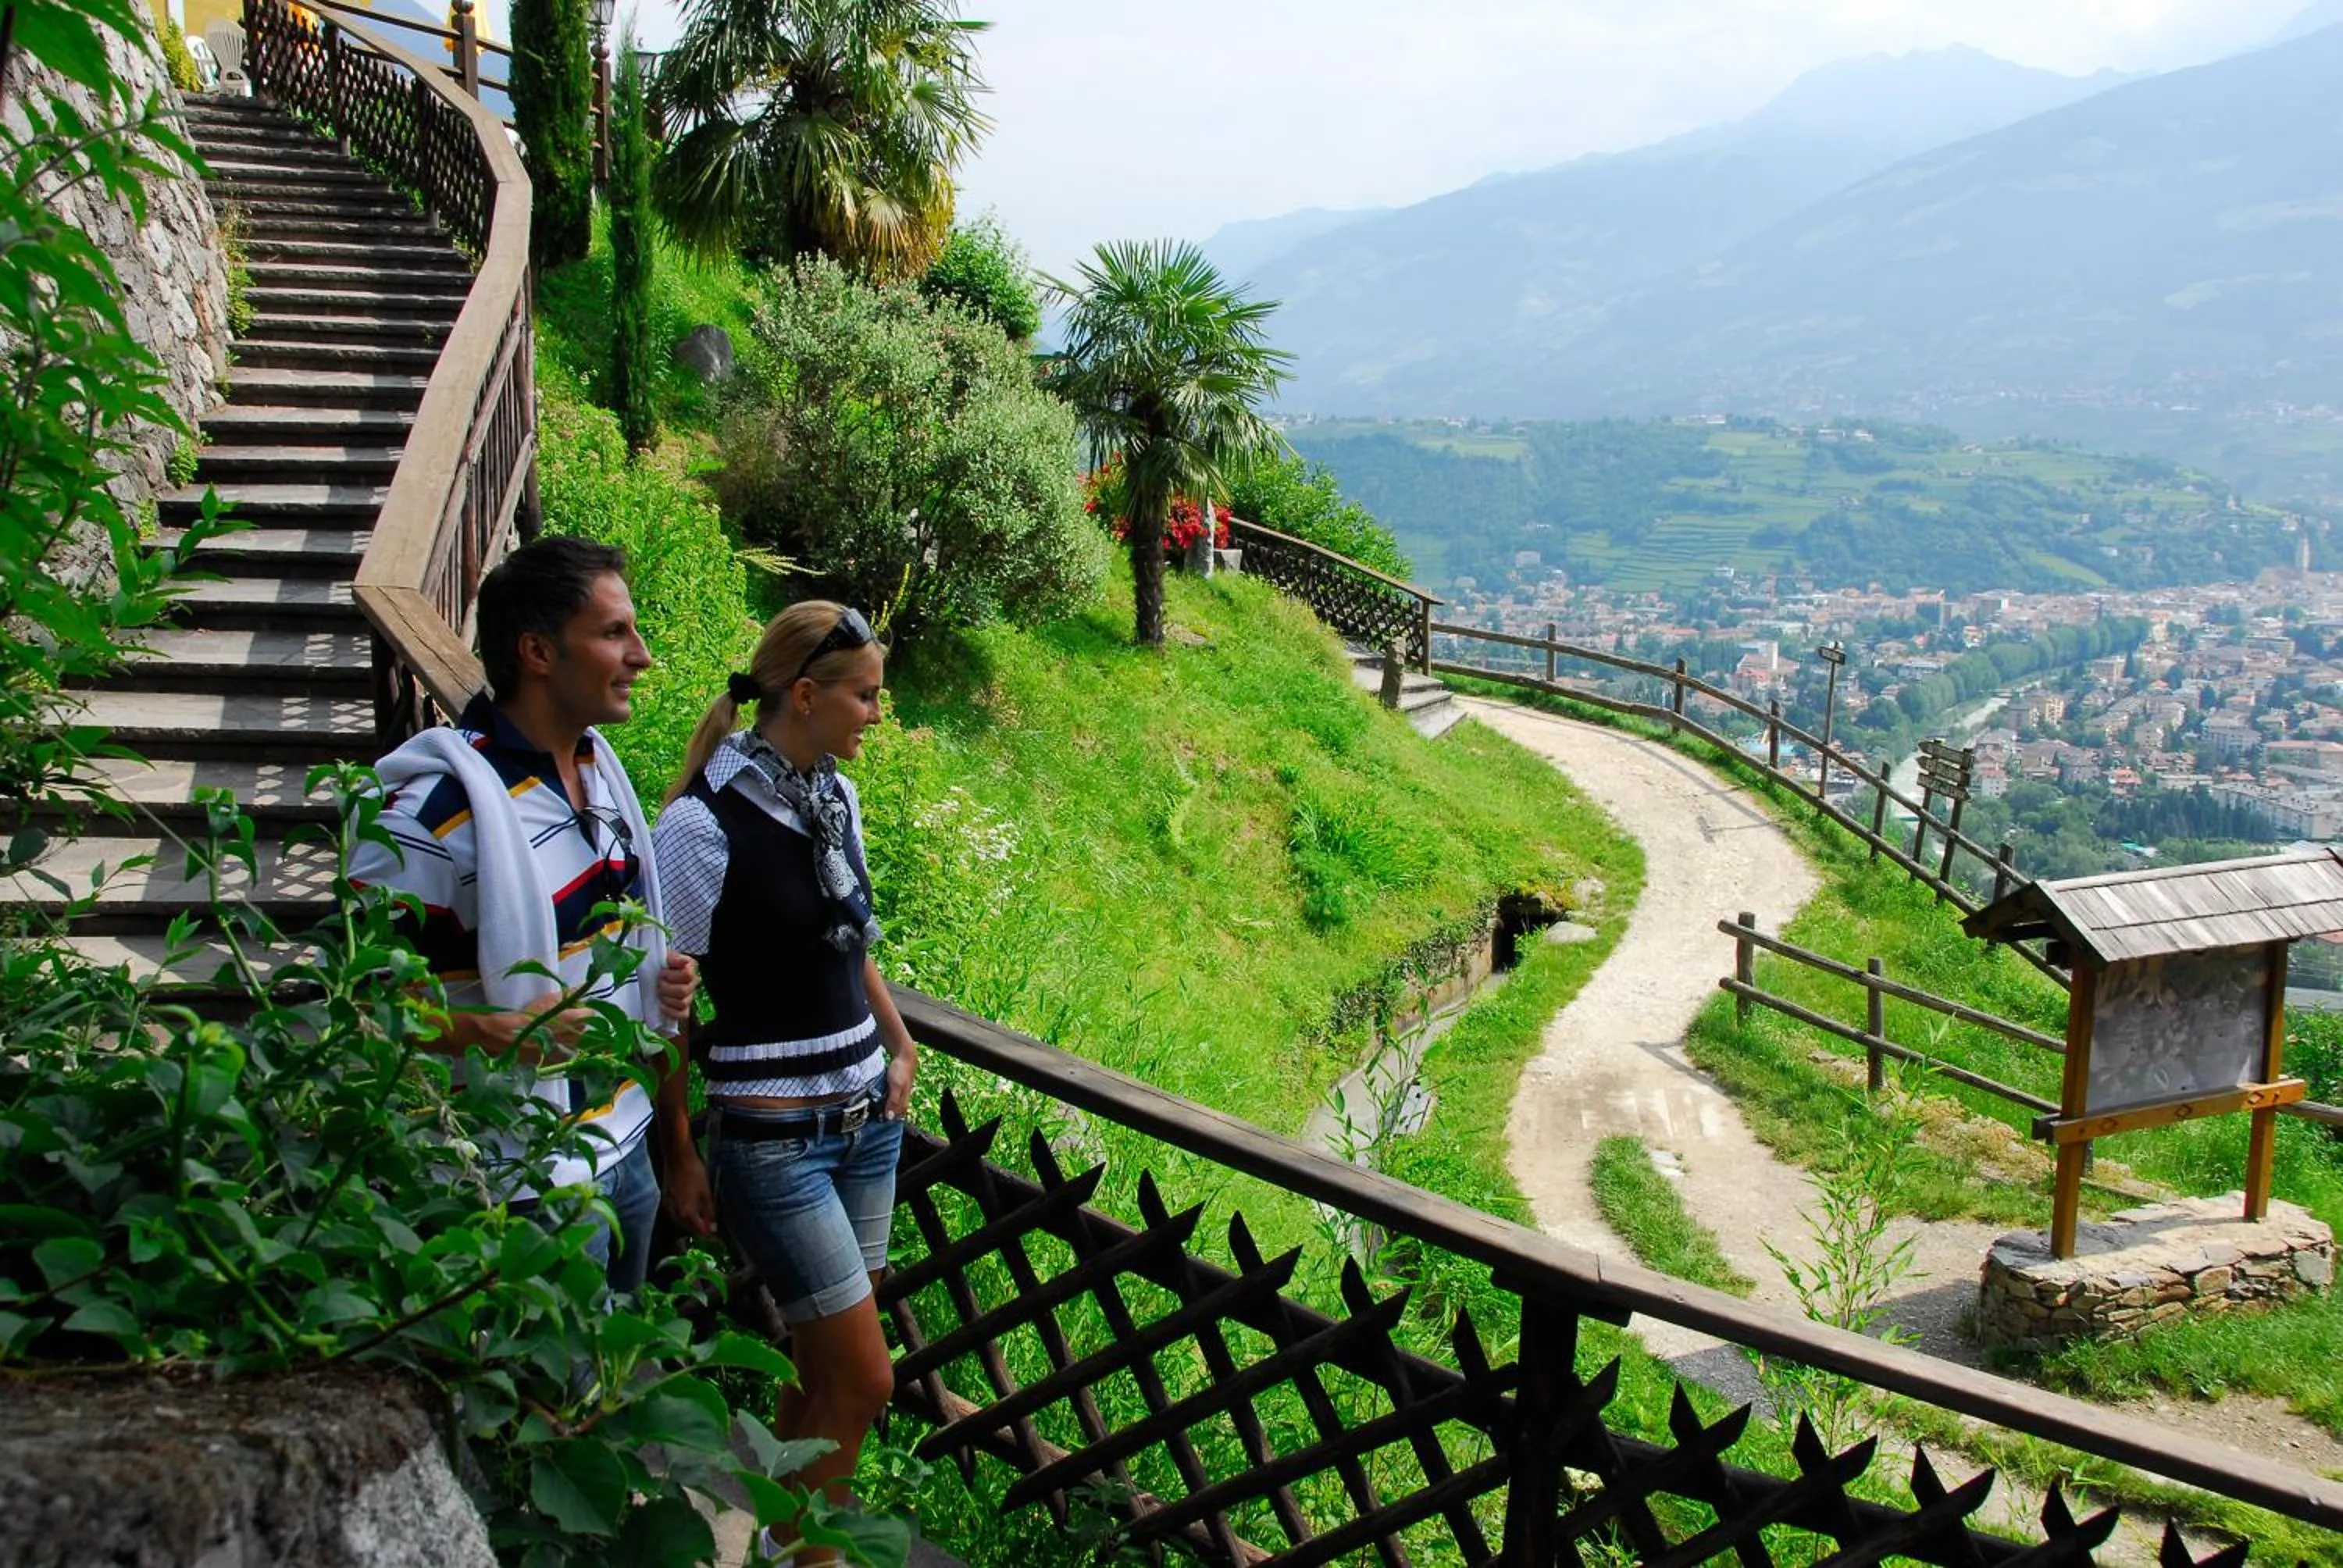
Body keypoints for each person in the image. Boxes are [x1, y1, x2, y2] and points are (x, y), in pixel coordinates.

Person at [350, 535, 699, 1292]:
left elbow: (610, 950)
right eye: (614, 632)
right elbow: (365, 1006)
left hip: (626, 1145)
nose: (641, 655)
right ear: (538, 652)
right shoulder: (430, 813)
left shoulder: (599, 775)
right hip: (517, 1179)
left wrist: (655, 980)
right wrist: (493, 1031)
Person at [651, 601, 916, 1557]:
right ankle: (816, 1554)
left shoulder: (832, 796)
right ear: (806, 695)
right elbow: (665, 1006)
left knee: (821, 1364)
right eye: (866, 696)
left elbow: (851, 942)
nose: (877, 714)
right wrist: (680, 1151)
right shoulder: (700, 823)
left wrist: (900, 1043)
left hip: (867, 1122)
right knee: (867, 1380)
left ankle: (777, 1542)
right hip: (774, 1144)